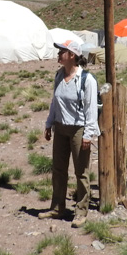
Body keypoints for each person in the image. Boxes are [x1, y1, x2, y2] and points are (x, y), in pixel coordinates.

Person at [39, 38, 99, 227]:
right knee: (58, 170)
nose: (58, 55)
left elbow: (90, 109)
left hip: (78, 129)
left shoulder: (86, 80)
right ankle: (57, 207)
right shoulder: (59, 75)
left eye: (62, 52)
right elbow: (55, 102)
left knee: (81, 172)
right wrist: (49, 123)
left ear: (71, 55)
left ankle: (81, 211)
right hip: (60, 127)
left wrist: (88, 134)